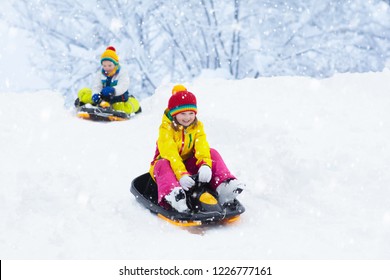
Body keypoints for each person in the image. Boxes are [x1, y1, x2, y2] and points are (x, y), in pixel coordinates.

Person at [149, 84, 244, 213]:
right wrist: (181, 174)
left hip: (188, 167)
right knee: (162, 163)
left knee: (212, 152)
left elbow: (202, 145)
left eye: (191, 113)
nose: (187, 117)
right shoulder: (166, 129)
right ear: (174, 114)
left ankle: (223, 186)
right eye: (183, 113)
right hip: (170, 169)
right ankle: (175, 196)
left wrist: (205, 164)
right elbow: (170, 154)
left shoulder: (197, 126)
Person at [75, 46, 141, 115]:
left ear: (115, 64)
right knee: (84, 93)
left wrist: (114, 90)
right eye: (104, 66)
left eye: (110, 65)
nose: (107, 68)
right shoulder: (100, 74)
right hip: (103, 97)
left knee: (122, 107)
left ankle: (133, 102)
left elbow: (123, 85)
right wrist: (96, 94)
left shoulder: (122, 73)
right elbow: (97, 86)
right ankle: (83, 102)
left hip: (118, 97)